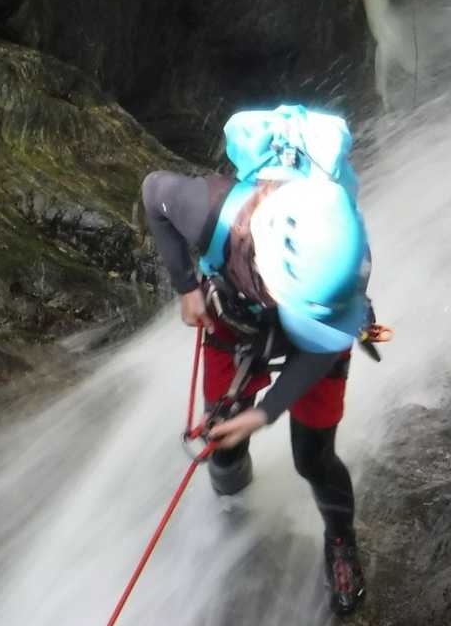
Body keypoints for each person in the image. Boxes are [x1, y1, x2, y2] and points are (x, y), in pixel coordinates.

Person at [142, 106, 373, 618]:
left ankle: (340, 539)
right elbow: (154, 191)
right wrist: (186, 287)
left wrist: (266, 411)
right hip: (236, 315)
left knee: (313, 458)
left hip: (321, 330)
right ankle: (232, 514)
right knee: (223, 449)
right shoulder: (210, 212)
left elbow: (321, 347)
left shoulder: (342, 263)